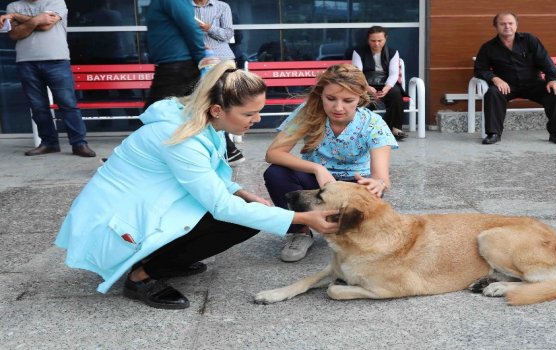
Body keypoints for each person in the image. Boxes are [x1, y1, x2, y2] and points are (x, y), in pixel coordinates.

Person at [54, 61, 340, 310]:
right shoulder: (182, 139)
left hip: (142, 206)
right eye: (249, 113)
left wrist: (241, 192)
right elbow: (221, 206)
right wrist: (301, 218)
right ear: (217, 109)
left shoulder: (201, 123)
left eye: (259, 111)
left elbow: (209, 180)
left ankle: (166, 261)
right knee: (238, 219)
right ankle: (140, 277)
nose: (257, 119)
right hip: (114, 223)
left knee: (244, 211)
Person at [263, 63, 398, 262]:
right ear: (321, 95)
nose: (338, 107)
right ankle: (300, 231)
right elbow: (273, 153)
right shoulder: (308, 112)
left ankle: (350, 231)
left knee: (370, 194)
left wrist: (377, 184)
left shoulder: (373, 124)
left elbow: (381, 178)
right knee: (275, 173)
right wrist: (317, 168)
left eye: (348, 100)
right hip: (316, 183)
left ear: (360, 98)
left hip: (353, 186)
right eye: (330, 98)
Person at [0, 0, 96, 157]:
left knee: (68, 104)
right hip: (26, 62)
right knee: (38, 107)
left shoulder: (56, 2)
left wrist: (18, 18)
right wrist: (38, 19)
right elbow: (16, 34)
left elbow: (46, 26)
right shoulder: (13, 6)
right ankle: (49, 143)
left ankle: (79, 144)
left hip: (56, 60)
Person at [474, 12, 556, 145]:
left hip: (533, 84)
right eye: (502, 24)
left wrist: (552, 79)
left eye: (510, 23)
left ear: (516, 25)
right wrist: (495, 78)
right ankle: (494, 133)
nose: (507, 26)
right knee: (492, 93)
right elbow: (480, 69)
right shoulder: (488, 47)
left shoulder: (529, 40)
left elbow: (546, 61)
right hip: (507, 86)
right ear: (495, 26)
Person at [193, 0, 244, 164]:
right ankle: (223, 149)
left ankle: (227, 149)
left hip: (221, 60)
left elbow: (228, 34)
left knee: (220, 103)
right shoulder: (185, 6)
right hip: (196, 61)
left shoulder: (222, 7)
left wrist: (209, 28)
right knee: (202, 104)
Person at [351, 25, 407, 141]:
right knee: (365, 98)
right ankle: (365, 129)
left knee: (396, 94)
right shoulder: (358, 52)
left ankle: (395, 128)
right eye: (373, 41)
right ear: (368, 39)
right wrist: (366, 87)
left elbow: (393, 74)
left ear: (385, 38)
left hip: (386, 82)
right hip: (366, 82)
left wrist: (387, 87)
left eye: (379, 40)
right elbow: (357, 73)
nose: (376, 44)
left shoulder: (392, 52)